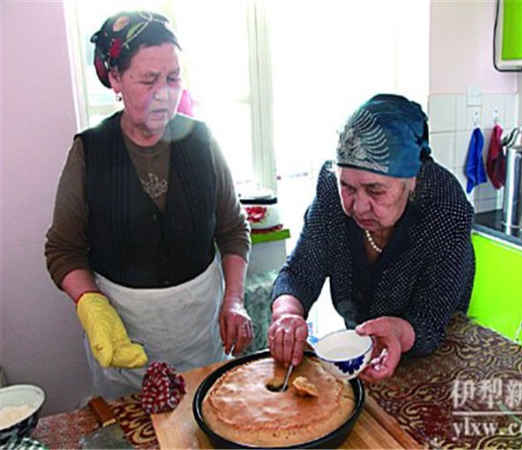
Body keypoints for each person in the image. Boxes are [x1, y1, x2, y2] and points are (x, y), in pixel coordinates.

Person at [45, 11, 253, 398]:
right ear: (116, 79)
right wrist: (91, 304)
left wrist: (234, 299)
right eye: (149, 80)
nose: (164, 93)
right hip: (126, 335)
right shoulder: (90, 152)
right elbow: (63, 249)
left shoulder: (202, 141)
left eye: (173, 78)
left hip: (198, 332)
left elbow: (233, 229)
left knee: (202, 414)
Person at [268, 94, 475, 383]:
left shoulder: (446, 208)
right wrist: (287, 314)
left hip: (430, 358)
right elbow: (300, 272)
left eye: (375, 191)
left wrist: (399, 333)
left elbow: (430, 319)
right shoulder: (330, 191)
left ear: (412, 180)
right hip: (364, 354)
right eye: (348, 187)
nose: (359, 206)